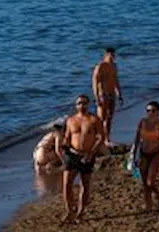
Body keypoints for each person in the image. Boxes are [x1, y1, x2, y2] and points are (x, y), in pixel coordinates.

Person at [58, 94, 105, 224]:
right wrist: (63, 147)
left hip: (87, 155)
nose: (82, 106)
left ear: (89, 104)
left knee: (85, 185)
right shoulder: (71, 120)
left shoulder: (94, 119)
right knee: (66, 185)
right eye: (79, 103)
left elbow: (101, 137)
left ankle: (81, 212)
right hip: (72, 155)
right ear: (76, 105)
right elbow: (67, 137)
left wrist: (91, 153)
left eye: (84, 103)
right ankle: (69, 211)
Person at [132, 101, 159, 210]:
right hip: (143, 153)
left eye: (153, 110)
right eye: (148, 111)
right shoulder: (142, 122)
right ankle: (148, 204)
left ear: (158, 112)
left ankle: (158, 197)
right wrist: (134, 155)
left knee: (150, 181)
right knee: (144, 183)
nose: (150, 113)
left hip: (156, 153)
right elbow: (137, 139)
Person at [92, 48, 122, 146]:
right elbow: (95, 82)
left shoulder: (114, 66)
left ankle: (107, 138)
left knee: (109, 117)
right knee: (101, 118)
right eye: (111, 55)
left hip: (112, 94)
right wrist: (96, 97)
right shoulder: (100, 66)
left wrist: (119, 94)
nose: (113, 57)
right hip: (102, 95)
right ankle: (99, 139)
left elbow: (116, 80)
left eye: (114, 55)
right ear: (106, 55)